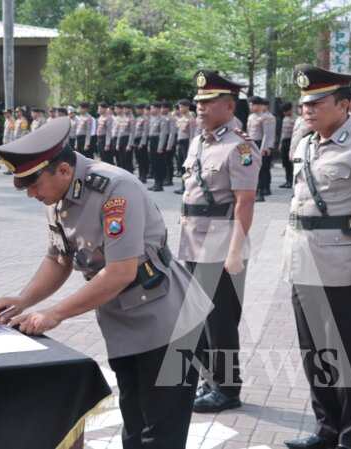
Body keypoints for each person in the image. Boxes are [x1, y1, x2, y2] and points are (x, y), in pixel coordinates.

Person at [0, 117, 212, 449]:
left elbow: (121, 272)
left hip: (168, 323)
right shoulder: (58, 198)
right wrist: (23, 301)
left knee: (161, 436)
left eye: (34, 184)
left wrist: (54, 314)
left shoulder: (114, 189)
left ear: (63, 170)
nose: (32, 194)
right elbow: (59, 259)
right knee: (135, 429)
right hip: (125, 324)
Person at [282, 64, 351, 449]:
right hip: (303, 263)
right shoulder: (304, 144)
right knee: (314, 352)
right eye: (304, 103)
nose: (308, 109)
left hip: (345, 266)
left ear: (345, 105)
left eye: (318, 102)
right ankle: (326, 430)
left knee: (348, 355)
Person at [180, 70, 261, 413]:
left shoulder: (240, 146)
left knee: (221, 319)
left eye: (208, 102)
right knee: (198, 317)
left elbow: (244, 202)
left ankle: (227, 390)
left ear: (228, 106)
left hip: (221, 242)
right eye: (198, 102)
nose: (199, 107)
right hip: (193, 239)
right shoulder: (200, 140)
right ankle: (208, 381)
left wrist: (235, 251)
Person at [247, 96, 276, 202]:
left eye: (252, 104)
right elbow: (248, 132)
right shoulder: (251, 117)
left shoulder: (265, 117)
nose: (250, 106)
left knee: (262, 168)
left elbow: (266, 134)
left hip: (260, 144)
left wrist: (264, 148)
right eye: (249, 104)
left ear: (259, 105)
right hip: (251, 143)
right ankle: (255, 190)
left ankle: (261, 192)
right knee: (252, 169)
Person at [148, 102, 166, 192]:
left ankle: (159, 184)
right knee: (153, 163)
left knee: (159, 164)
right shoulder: (151, 119)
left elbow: (163, 134)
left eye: (152, 108)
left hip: (157, 141)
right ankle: (155, 183)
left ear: (157, 109)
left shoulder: (162, 119)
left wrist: (160, 147)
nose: (151, 110)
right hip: (151, 141)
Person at [279, 102, 295, 188]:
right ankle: (287, 180)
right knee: (285, 162)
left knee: (290, 163)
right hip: (284, 141)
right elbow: (282, 133)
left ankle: (291, 181)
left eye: (287, 111)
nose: (285, 113)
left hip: (290, 141)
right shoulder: (284, 119)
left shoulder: (294, 120)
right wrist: (280, 144)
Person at [133, 104, 150, 183]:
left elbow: (145, 132)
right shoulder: (138, 119)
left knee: (143, 159)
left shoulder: (145, 119)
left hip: (141, 141)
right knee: (138, 159)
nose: (136, 111)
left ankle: (143, 176)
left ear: (142, 110)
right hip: (136, 140)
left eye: (137, 109)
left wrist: (142, 143)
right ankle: (140, 175)